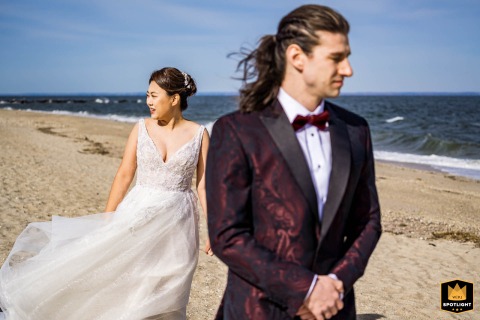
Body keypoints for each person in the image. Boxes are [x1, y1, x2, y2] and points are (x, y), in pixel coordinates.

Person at [206, 4, 382, 320]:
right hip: (259, 309)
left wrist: (335, 285)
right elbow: (227, 235)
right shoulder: (236, 131)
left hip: (335, 308)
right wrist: (305, 288)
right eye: (337, 58)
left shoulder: (357, 131)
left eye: (347, 57)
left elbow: (367, 221)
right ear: (297, 57)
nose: (348, 69)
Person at [0, 67, 212, 320]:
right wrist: (108, 218)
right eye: (147, 95)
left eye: (154, 96)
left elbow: (203, 185)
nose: (148, 102)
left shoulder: (199, 134)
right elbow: (124, 174)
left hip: (179, 223)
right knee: (131, 280)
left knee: (170, 288)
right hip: (138, 213)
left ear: (174, 98)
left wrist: (214, 228)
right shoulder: (141, 128)